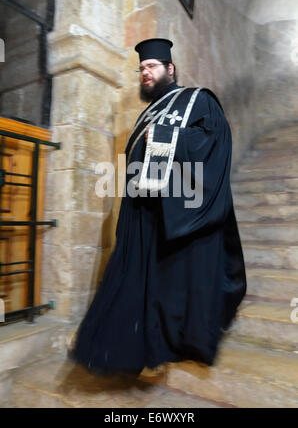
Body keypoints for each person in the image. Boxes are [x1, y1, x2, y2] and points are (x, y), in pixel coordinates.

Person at [69, 38, 246, 375]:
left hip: (178, 212)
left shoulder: (197, 100)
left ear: (170, 68)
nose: (144, 74)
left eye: (151, 67)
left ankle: (182, 341)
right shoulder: (146, 112)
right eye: (141, 69)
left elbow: (215, 140)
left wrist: (167, 136)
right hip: (145, 215)